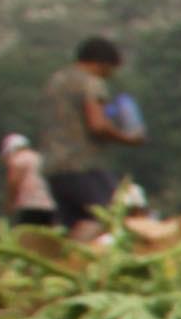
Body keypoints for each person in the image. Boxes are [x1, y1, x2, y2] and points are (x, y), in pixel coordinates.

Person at [37, 36, 142, 231]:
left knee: (73, 222)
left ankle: (67, 258)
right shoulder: (90, 83)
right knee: (110, 214)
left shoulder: (54, 82)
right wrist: (128, 139)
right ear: (103, 64)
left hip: (52, 166)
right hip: (82, 164)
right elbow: (98, 125)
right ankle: (84, 254)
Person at [0, 133, 56, 228]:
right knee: (45, 236)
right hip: (49, 205)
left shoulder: (17, 159)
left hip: (28, 205)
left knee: (25, 236)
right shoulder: (39, 157)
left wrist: (10, 203)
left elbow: (14, 183)